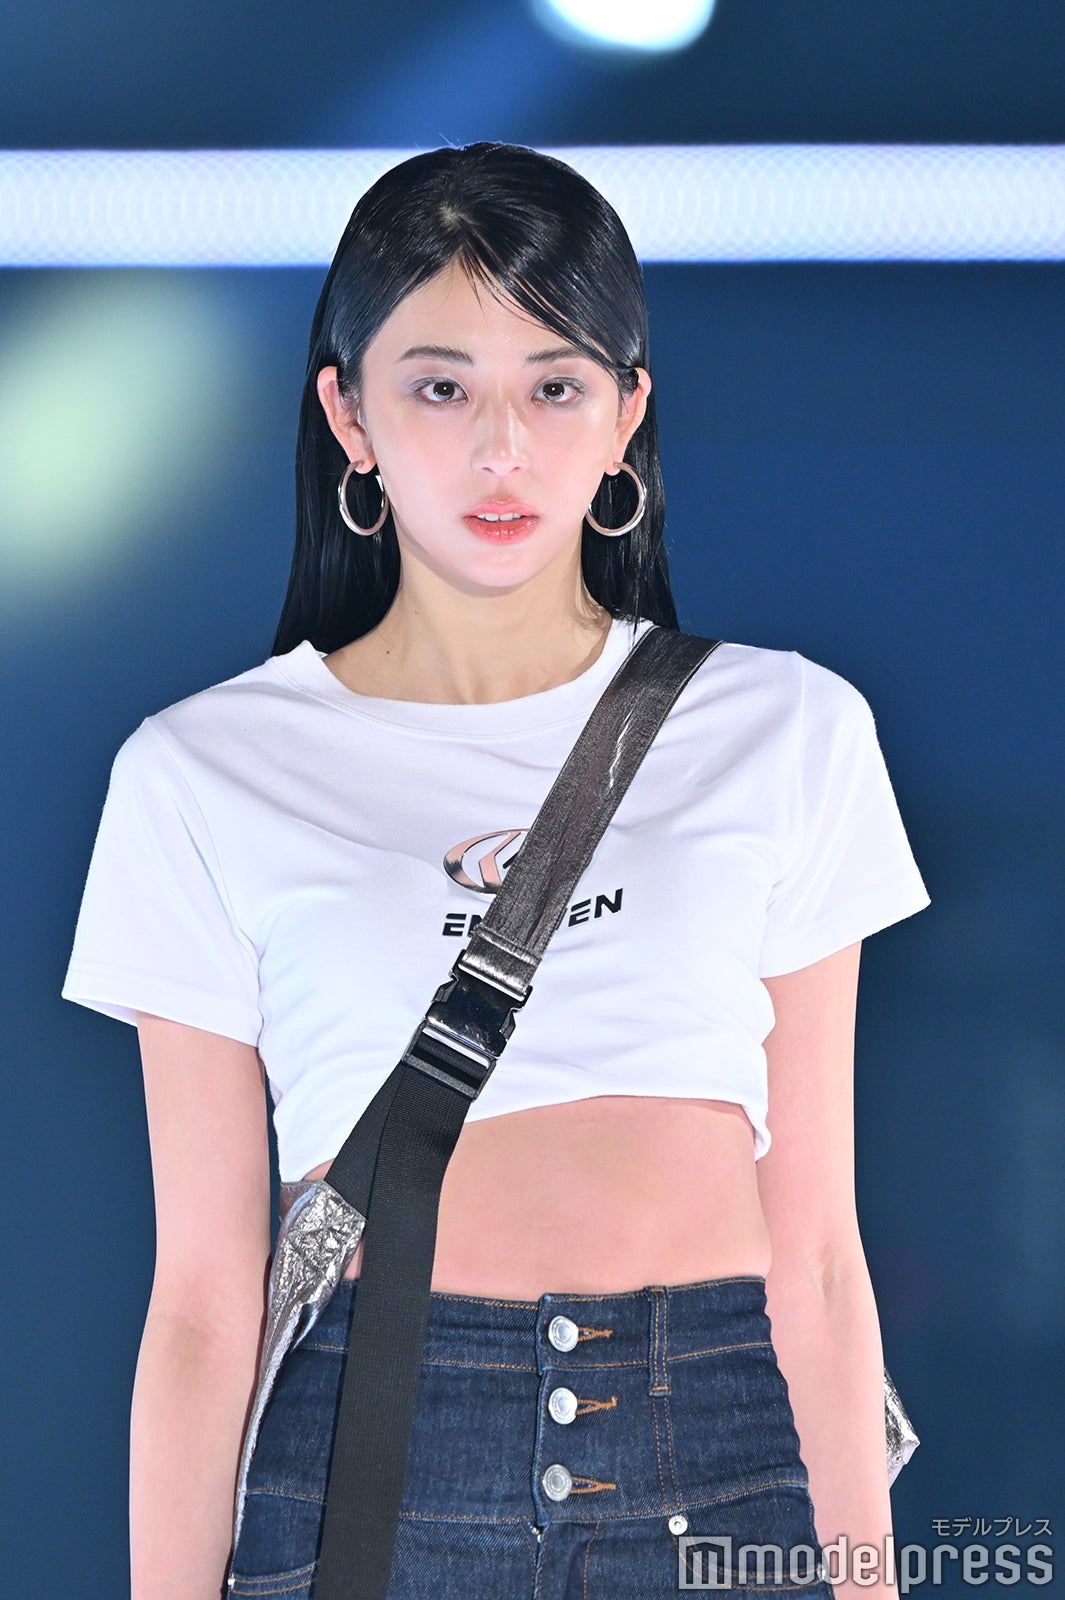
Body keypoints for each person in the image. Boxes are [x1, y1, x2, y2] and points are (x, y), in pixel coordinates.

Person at [61, 141, 930, 1600]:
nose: (501, 449)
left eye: (555, 386)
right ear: (348, 414)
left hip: (714, 1444)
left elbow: (822, 1260)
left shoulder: (786, 726)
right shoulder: (200, 770)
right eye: (441, 387)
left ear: (627, 414)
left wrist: (864, 1576)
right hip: (371, 1454)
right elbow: (205, 1299)